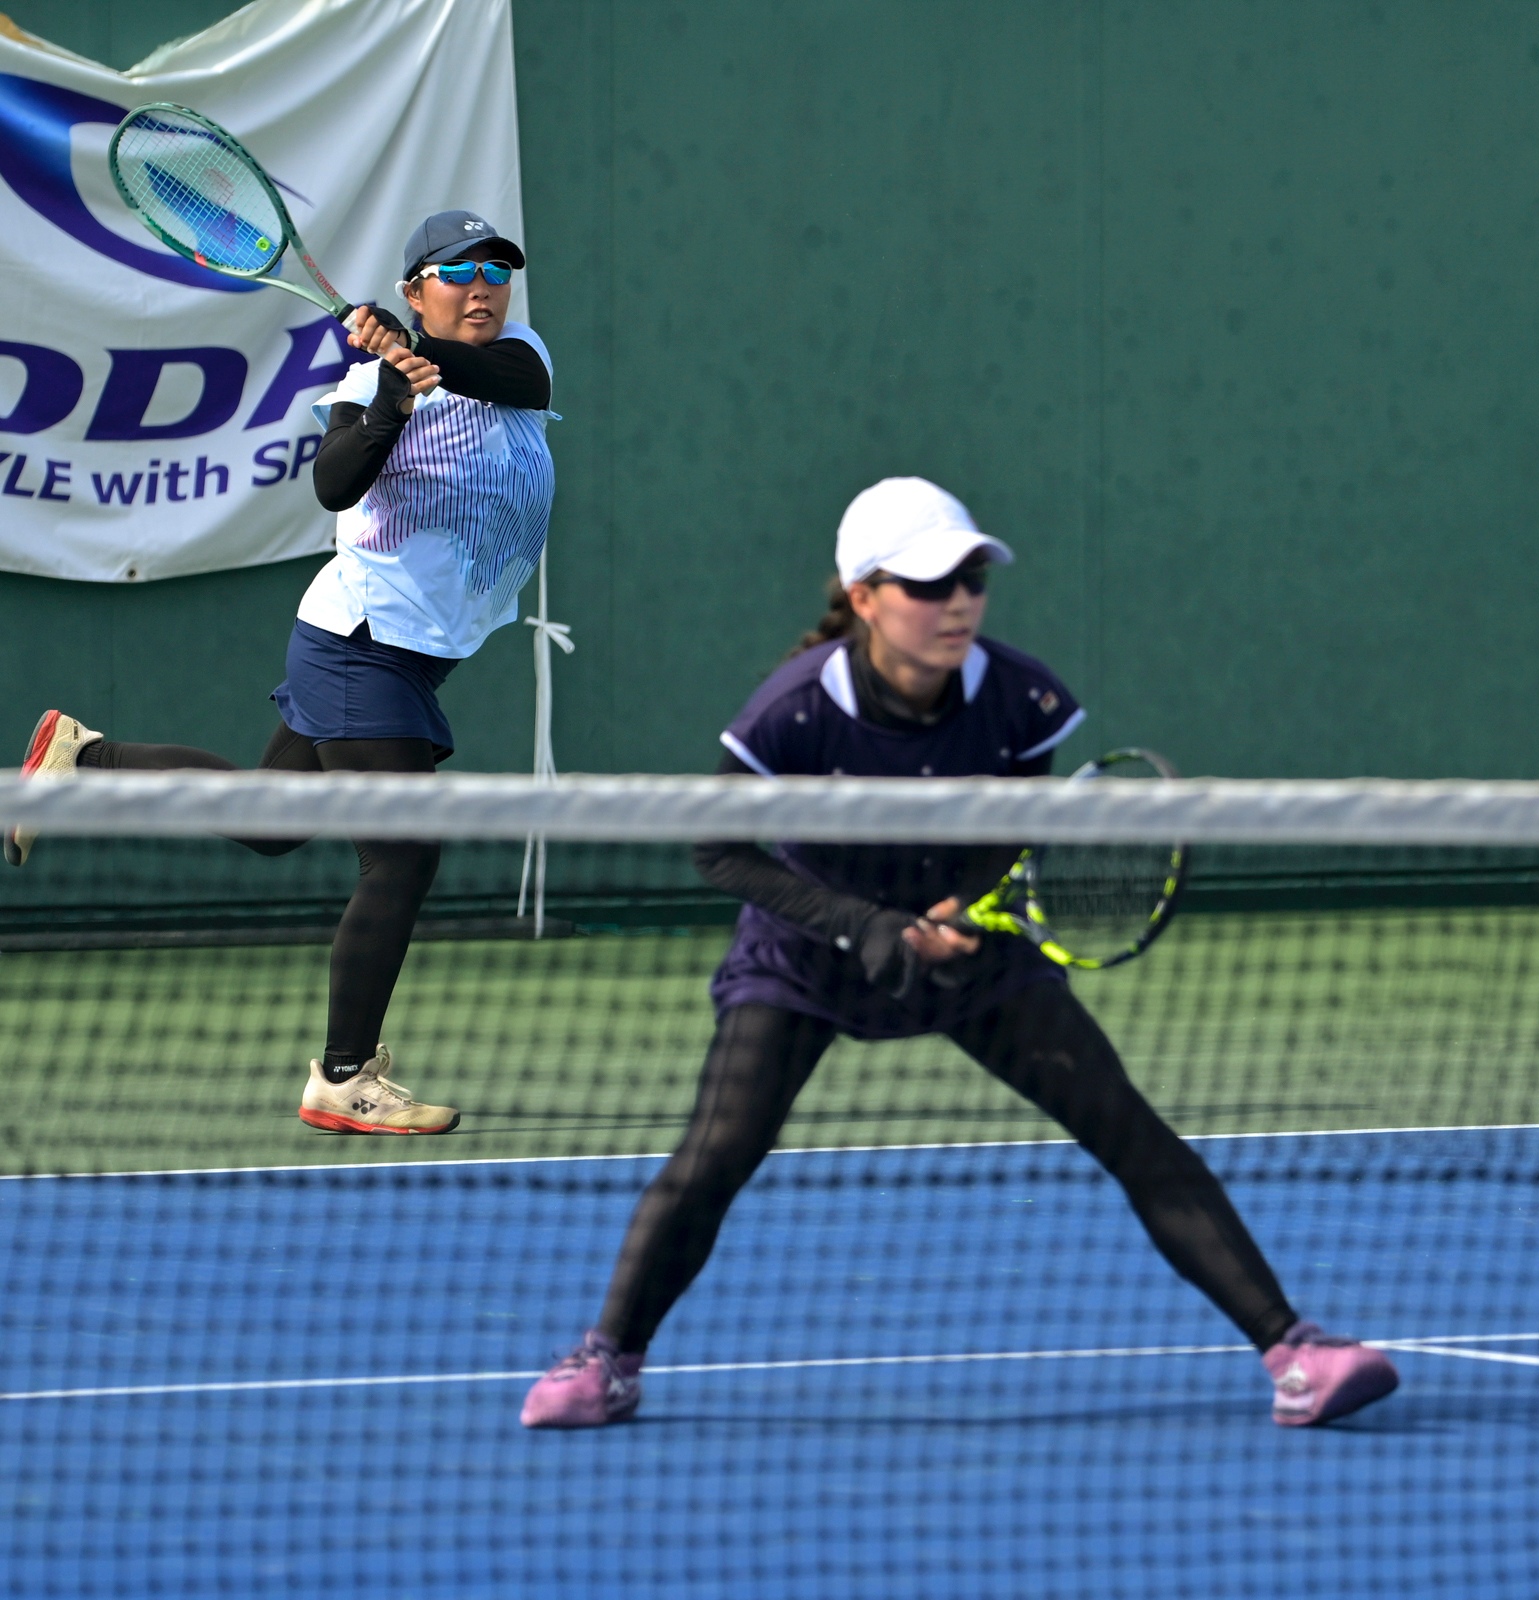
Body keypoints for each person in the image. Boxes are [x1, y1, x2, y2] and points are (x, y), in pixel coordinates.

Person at [519, 476, 1398, 1430]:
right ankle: (609, 1359)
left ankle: (1294, 1351)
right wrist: (863, 923)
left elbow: (1011, 827)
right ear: (865, 598)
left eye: (972, 581)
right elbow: (719, 848)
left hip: (971, 949)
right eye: (930, 585)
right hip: (808, 954)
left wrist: (965, 908)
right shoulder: (797, 710)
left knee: (1128, 1129)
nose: (959, 604)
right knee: (716, 1152)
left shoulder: (1019, 695)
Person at [4, 210, 556, 1137]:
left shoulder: (520, 356)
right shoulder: (367, 382)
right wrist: (392, 396)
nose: (483, 288)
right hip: (360, 643)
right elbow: (335, 483)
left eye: (496, 272)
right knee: (404, 854)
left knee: (270, 824)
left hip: (409, 654)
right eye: (460, 272)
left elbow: (512, 381)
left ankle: (83, 759)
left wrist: (420, 352)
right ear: (417, 289)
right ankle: (343, 1076)